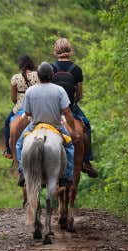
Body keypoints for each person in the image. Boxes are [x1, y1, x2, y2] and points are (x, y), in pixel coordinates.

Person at [16, 62, 77, 187]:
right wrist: (74, 130)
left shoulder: (30, 91)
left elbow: (27, 112)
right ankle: (67, 176)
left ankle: (22, 172)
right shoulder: (59, 90)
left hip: (35, 126)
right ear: (52, 75)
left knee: (18, 144)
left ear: (38, 76)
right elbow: (67, 112)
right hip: (56, 126)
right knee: (70, 146)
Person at [51, 38, 98, 177]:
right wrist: (72, 102)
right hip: (71, 107)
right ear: (70, 50)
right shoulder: (76, 69)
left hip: (54, 109)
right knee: (87, 126)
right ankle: (87, 161)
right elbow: (79, 94)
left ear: (56, 51)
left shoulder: (51, 68)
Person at [3, 55, 39, 159]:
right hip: (35, 108)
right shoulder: (38, 75)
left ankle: (9, 151)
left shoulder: (15, 78)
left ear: (20, 65)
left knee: (6, 123)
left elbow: (14, 99)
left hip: (20, 107)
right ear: (31, 64)